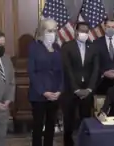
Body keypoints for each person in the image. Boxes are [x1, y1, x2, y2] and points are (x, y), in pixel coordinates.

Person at [61, 22, 99, 146]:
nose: (84, 33)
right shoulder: (67, 47)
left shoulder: (93, 47)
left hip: (87, 89)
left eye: (86, 31)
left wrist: (89, 89)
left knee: (86, 118)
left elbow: (95, 69)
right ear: (75, 31)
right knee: (69, 119)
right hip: (71, 89)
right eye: (81, 31)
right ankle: (68, 141)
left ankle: (85, 142)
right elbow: (67, 69)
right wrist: (75, 89)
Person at [28, 18, 63, 146]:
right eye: (49, 30)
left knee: (50, 126)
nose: (52, 33)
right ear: (43, 31)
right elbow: (32, 72)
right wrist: (43, 91)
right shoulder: (34, 47)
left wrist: (60, 90)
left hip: (55, 94)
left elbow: (61, 72)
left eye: (54, 30)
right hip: (39, 94)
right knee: (38, 127)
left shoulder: (57, 47)